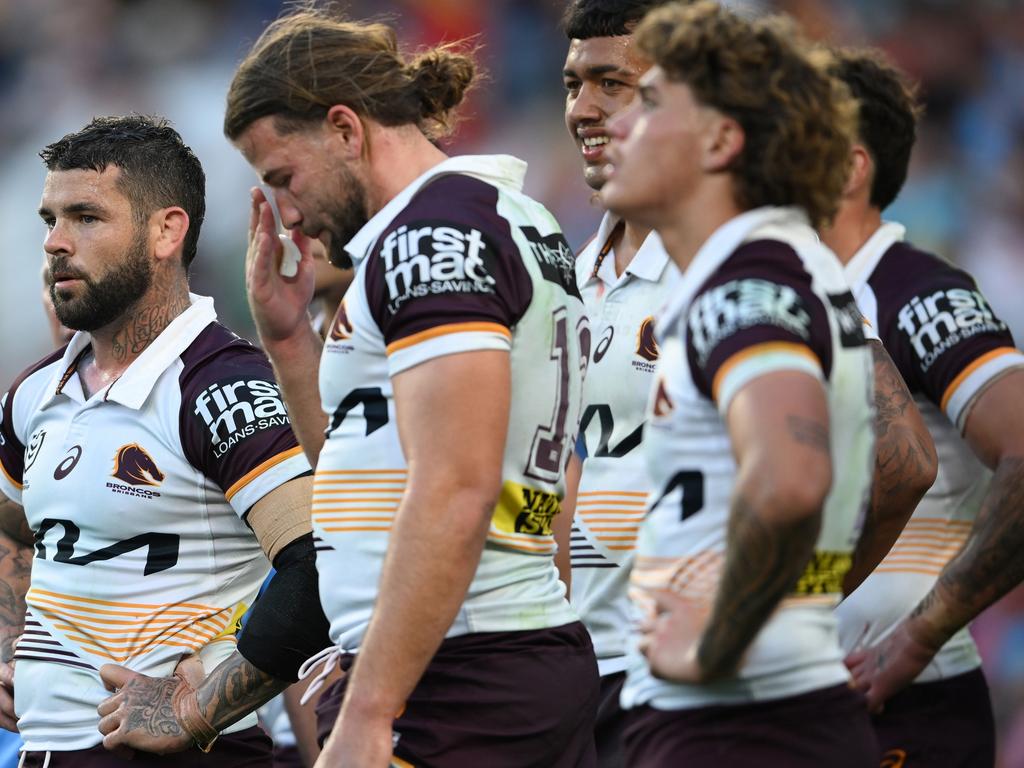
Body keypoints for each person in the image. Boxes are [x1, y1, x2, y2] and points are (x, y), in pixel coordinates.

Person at [100, 9, 600, 767]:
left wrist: (371, 705)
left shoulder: (432, 239)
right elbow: (370, 475)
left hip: (452, 678)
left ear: (344, 128)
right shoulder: (498, 218)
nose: (287, 212)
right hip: (489, 656)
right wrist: (292, 344)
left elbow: (454, 490)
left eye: (283, 177)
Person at [0, 115, 330, 766]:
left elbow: (323, 562)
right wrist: (8, 636)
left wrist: (199, 711)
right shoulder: (35, 390)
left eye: (86, 218)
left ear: (166, 231)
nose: (56, 243)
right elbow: (12, 524)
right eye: (50, 221)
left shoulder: (221, 387)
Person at [598, 3, 878, 765]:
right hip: (772, 717)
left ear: (722, 140)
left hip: (737, 727)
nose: (616, 124)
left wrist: (711, 645)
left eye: (650, 103)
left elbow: (790, 480)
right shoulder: (776, 265)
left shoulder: (746, 280)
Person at [823, 48, 1024, 767]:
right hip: (788, 706)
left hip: (907, 711)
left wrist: (919, 635)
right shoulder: (768, 297)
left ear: (849, 168)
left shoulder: (917, 293)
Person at [558, 2, 678, 765]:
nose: (582, 109)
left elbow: (898, 461)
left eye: (611, 83)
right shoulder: (569, 279)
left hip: (680, 687)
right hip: (572, 679)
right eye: (572, 84)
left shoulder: (738, 269)